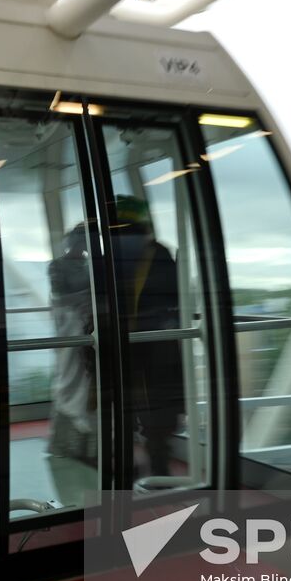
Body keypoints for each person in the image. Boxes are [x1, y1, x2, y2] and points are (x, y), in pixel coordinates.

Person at [109, 195, 184, 477]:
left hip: (122, 346)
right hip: (159, 347)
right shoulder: (160, 253)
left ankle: (128, 468)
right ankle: (159, 469)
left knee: (124, 409)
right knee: (158, 415)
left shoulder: (111, 254)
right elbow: (174, 296)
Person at [47, 222, 97, 464]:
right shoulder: (57, 266)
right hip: (70, 327)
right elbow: (60, 298)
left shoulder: (89, 264)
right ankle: (67, 441)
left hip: (87, 326)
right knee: (70, 378)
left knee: (84, 380)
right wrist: (90, 297)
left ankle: (80, 442)